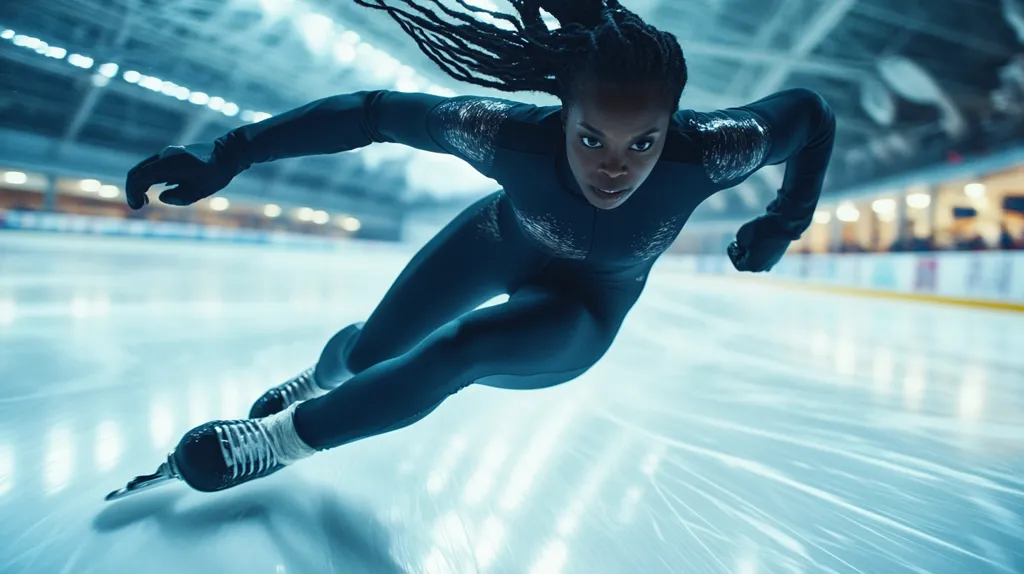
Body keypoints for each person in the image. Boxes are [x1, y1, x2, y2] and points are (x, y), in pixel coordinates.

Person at [105, 0, 835, 500]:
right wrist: (229, 153)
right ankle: (321, 378)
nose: (615, 167)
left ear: (673, 122)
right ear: (562, 117)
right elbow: (374, 113)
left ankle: (283, 440)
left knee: (459, 349)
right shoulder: (505, 135)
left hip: (583, 306)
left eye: (643, 142)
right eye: (591, 139)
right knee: (366, 355)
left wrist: (784, 221)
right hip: (497, 241)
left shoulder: (710, 151)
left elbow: (813, 114)